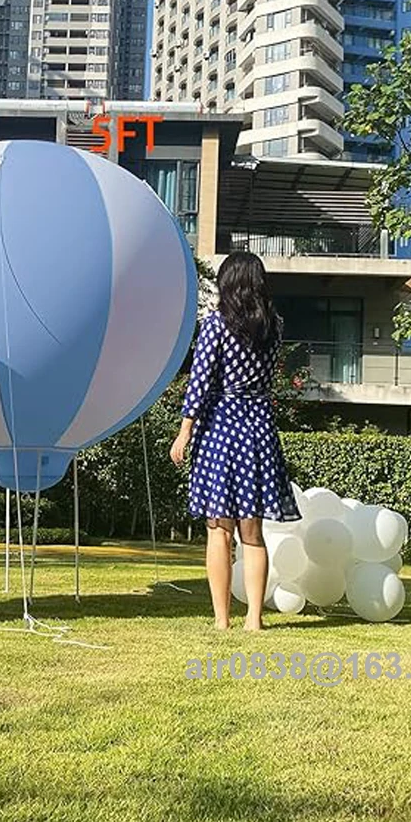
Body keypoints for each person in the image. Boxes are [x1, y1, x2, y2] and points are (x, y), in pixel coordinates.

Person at [170, 251, 301, 631]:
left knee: (219, 528)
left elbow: (200, 381)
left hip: (221, 429)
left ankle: (222, 620)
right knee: (253, 531)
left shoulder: (215, 325)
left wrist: (185, 430)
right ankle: (254, 620)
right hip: (259, 427)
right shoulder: (274, 326)